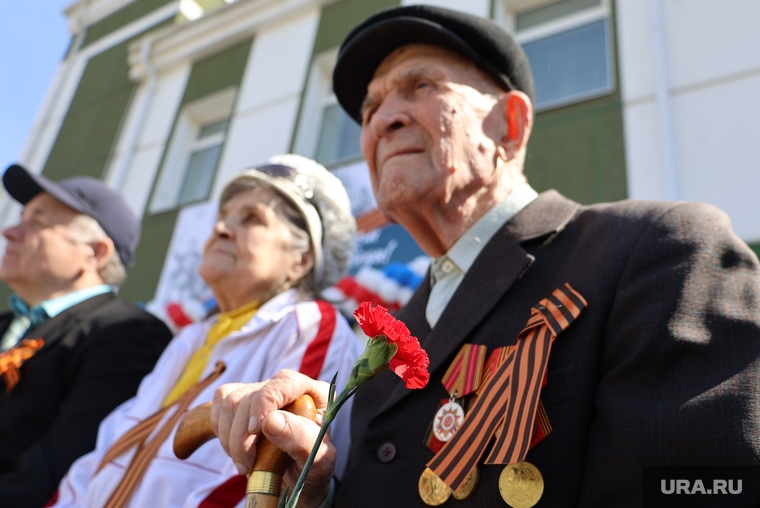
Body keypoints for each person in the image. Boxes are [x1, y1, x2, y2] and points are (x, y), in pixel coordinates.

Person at [210, 5, 760, 508]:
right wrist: (315, 492)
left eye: (419, 85)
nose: (382, 120)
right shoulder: (393, 335)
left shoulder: (657, 248)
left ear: (509, 125)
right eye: (372, 107)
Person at [50, 154, 362, 508]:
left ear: (302, 260)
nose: (221, 228)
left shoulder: (309, 325)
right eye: (222, 217)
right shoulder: (191, 338)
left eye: (252, 219)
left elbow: (272, 482)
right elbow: (107, 449)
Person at [0, 164, 172, 507]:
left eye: (37, 222)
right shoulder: (7, 324)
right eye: (20, 217)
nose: (10, 232)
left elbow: (58, 472)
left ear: (95, 252)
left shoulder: (129, 332)